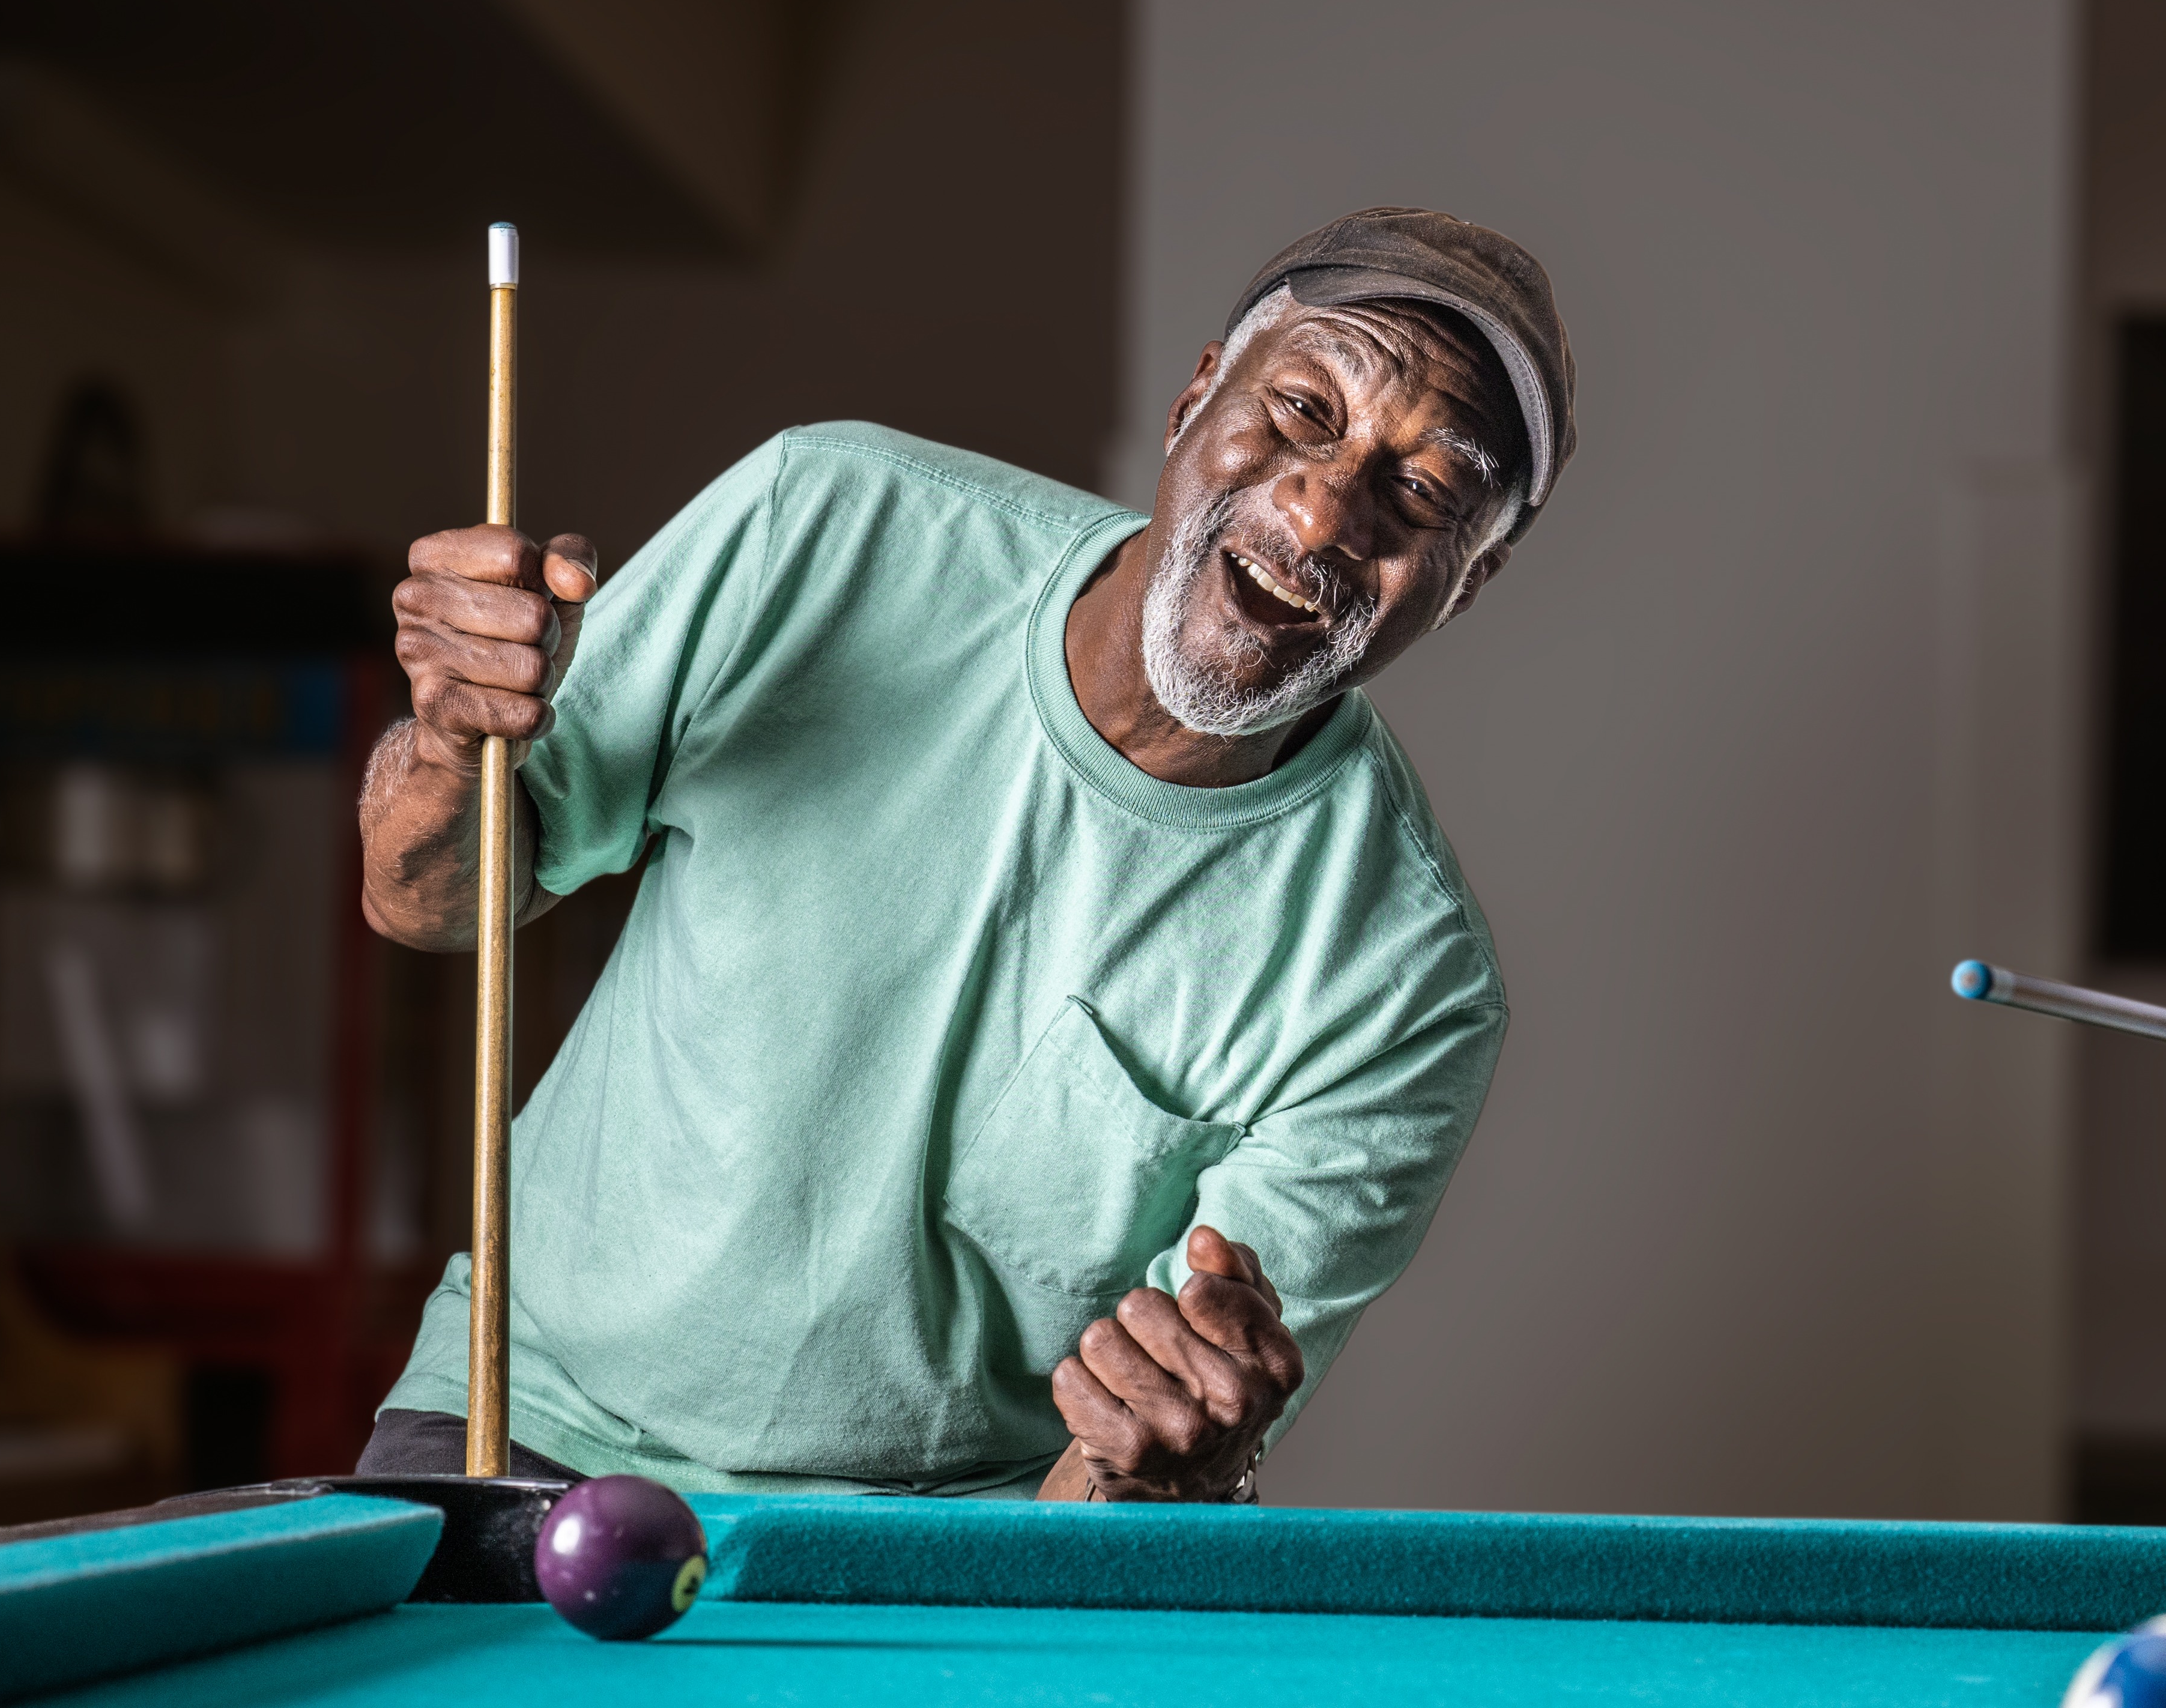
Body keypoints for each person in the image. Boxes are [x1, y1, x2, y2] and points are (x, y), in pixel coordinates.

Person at [352, 207, 1573, 1501]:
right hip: (525, 1415)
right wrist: (445, 740)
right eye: (1300, 413)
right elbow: (423, 901)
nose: (1324, 512)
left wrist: (1169, 1468)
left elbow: (1095, 1489)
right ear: (1192, 398)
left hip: (940, 1547)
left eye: (1423, 491)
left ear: (1468, 580)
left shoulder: (1408, 986)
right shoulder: (824, 520)